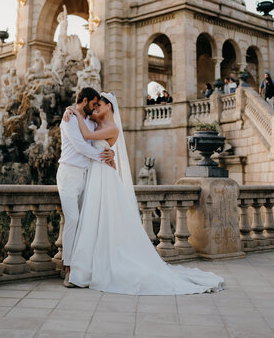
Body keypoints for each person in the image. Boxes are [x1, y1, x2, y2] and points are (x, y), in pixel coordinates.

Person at [63, 92, 224, 295]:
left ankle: (92, 266)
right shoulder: (95, 120)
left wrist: (76, 116)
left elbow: (86, 135)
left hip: (103, 173)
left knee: (103, 217)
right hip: (95, 173)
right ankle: (85, 265)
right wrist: (70, 110)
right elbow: (83, 114)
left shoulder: (112, 127)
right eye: (94, 105)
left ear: (109, 107)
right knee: (93, 218)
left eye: (99, 104)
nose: (95, 108)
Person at [56, 87, 115, 288]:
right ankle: (68, 267)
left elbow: (102, 138)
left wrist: (110, 153)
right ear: (85, 101)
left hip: (87, 175)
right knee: (73, 219)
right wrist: (104, 158)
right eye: (93, 103)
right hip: (69, 173)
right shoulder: (69, 119)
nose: (95, 107)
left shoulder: (89, 121)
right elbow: (80, 147)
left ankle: (82, 267)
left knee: (85, 221)